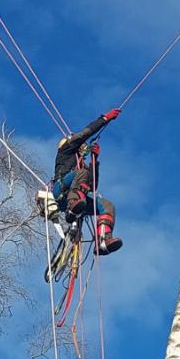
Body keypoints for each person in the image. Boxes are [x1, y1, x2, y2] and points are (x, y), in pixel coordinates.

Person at [37, 108, 122, 256]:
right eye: (82, 147)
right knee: (81, 174)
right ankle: (72, 206)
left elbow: (93, 186)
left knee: (107, 205)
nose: (83, 149)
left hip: (78, 197)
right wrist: (104, 119)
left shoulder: (81, 167)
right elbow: (85, 133)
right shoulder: (66, 150)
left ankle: (102, 241)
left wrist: (94, 161)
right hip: (62, 191)